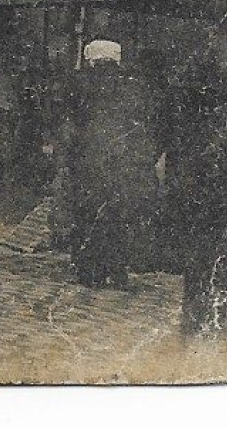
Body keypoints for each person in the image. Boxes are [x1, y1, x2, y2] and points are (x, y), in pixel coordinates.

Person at [62, 39, 150, 288]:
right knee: (117, 214)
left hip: (88, 160)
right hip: (121, 161)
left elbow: (71, 123)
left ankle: (90, 272)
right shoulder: (132, 85)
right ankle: (118, 269)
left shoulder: (80, 82)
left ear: (91, 58)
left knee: (87, 213)